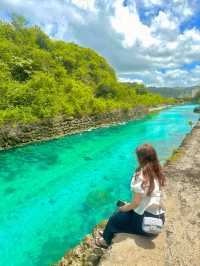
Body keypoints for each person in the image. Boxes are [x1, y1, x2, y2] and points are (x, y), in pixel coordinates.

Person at [95, 143, 166, 248]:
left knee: (115, 217)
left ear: (140, 158)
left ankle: (106, 241)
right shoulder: (158, 172)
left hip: (145, 225)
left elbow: (136, 203)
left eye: (137, 156)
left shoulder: (141, 176)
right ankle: (108, 231)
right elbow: (145, 200)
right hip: (159, 219)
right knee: (123, 213)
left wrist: (124, 208)